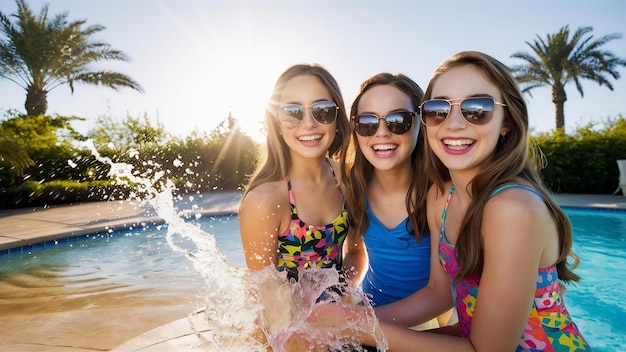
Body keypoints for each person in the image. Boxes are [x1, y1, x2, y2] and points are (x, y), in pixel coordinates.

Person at [291, 51, 592, 351]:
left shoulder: (511, 208)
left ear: (507, 122)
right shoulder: (448, 200)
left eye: (477, 109)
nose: (455, 124)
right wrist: (348, 318)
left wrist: (354, 324)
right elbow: (442, 295)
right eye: (439, 110)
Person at [341, 72, 451, 330]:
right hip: (369, 309)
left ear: (420, 124)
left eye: (398, 120)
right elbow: (355, 251)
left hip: (423, 319)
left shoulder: (439, 194)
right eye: (367, 122)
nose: (382, 133)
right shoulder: (354, 187)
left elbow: (442, 294)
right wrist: (343, 292)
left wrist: (354, 323)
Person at [239, 63, 351, 281]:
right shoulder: (264, 201)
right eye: (292, 113)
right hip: (288, 315)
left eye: (323, 110)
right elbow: (267, 298)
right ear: (277, 125)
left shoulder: (346, 178)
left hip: (339, 311)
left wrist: (346, 297)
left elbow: (356, 252)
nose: (309, 124)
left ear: (337, 118)